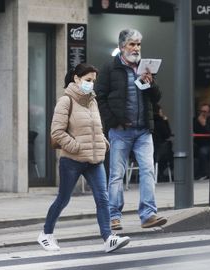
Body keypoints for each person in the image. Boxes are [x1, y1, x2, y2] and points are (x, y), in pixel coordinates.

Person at [38, 63, 130, 253]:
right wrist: (76, 147)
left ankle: (108, 238)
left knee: (103, 199)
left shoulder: (92, 101)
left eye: (93, 81)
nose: (91, 84)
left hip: (94, 160)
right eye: (88, 80)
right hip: (71, 160)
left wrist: (103, 142)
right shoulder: (66, 101)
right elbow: (57, 132)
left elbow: (95, 127)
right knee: (63, 199)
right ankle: (46, 234)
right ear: (76, 79)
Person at [94, 29, 167, 231]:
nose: (136, 48)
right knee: (117, 174)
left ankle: (148, 214)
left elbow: (156, 98)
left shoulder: (146, 68)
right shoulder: (110, 68)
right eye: (131, 44)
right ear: (121, 47)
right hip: (120, 131)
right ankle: (114, 216)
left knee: (148, 171)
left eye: (138, 44)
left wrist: (150, 83)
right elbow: (99, 96)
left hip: (143, 130)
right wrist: (113, 121)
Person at [153, 104, 173, 182]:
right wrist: (166, 121)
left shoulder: (146, 121)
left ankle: (158, 173)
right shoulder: (160, 122)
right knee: (168, 150)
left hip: (147, 151)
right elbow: (167, 134)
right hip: (158, 150)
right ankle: (160, 173)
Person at [193, 103, 210, 181]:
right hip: (198, 143)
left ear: (209, 112)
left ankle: (205, 173)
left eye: (205, 111)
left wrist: (204, 124)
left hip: (209, 144)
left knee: (203, 152)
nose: (202, 113)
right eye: (201, 111)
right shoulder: (196, 120)